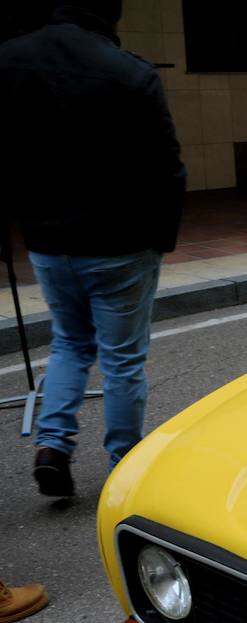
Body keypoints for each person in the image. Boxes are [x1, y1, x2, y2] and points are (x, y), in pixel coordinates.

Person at [0, 0, 185, 499]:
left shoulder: (10, 59)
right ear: (112, 15)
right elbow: (166, 164)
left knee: (69, 343)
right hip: (121, 241)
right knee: (122, 358)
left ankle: (53, 445)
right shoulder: (130, 72)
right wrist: (162, 235)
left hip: (47, 238)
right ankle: (123, 463)